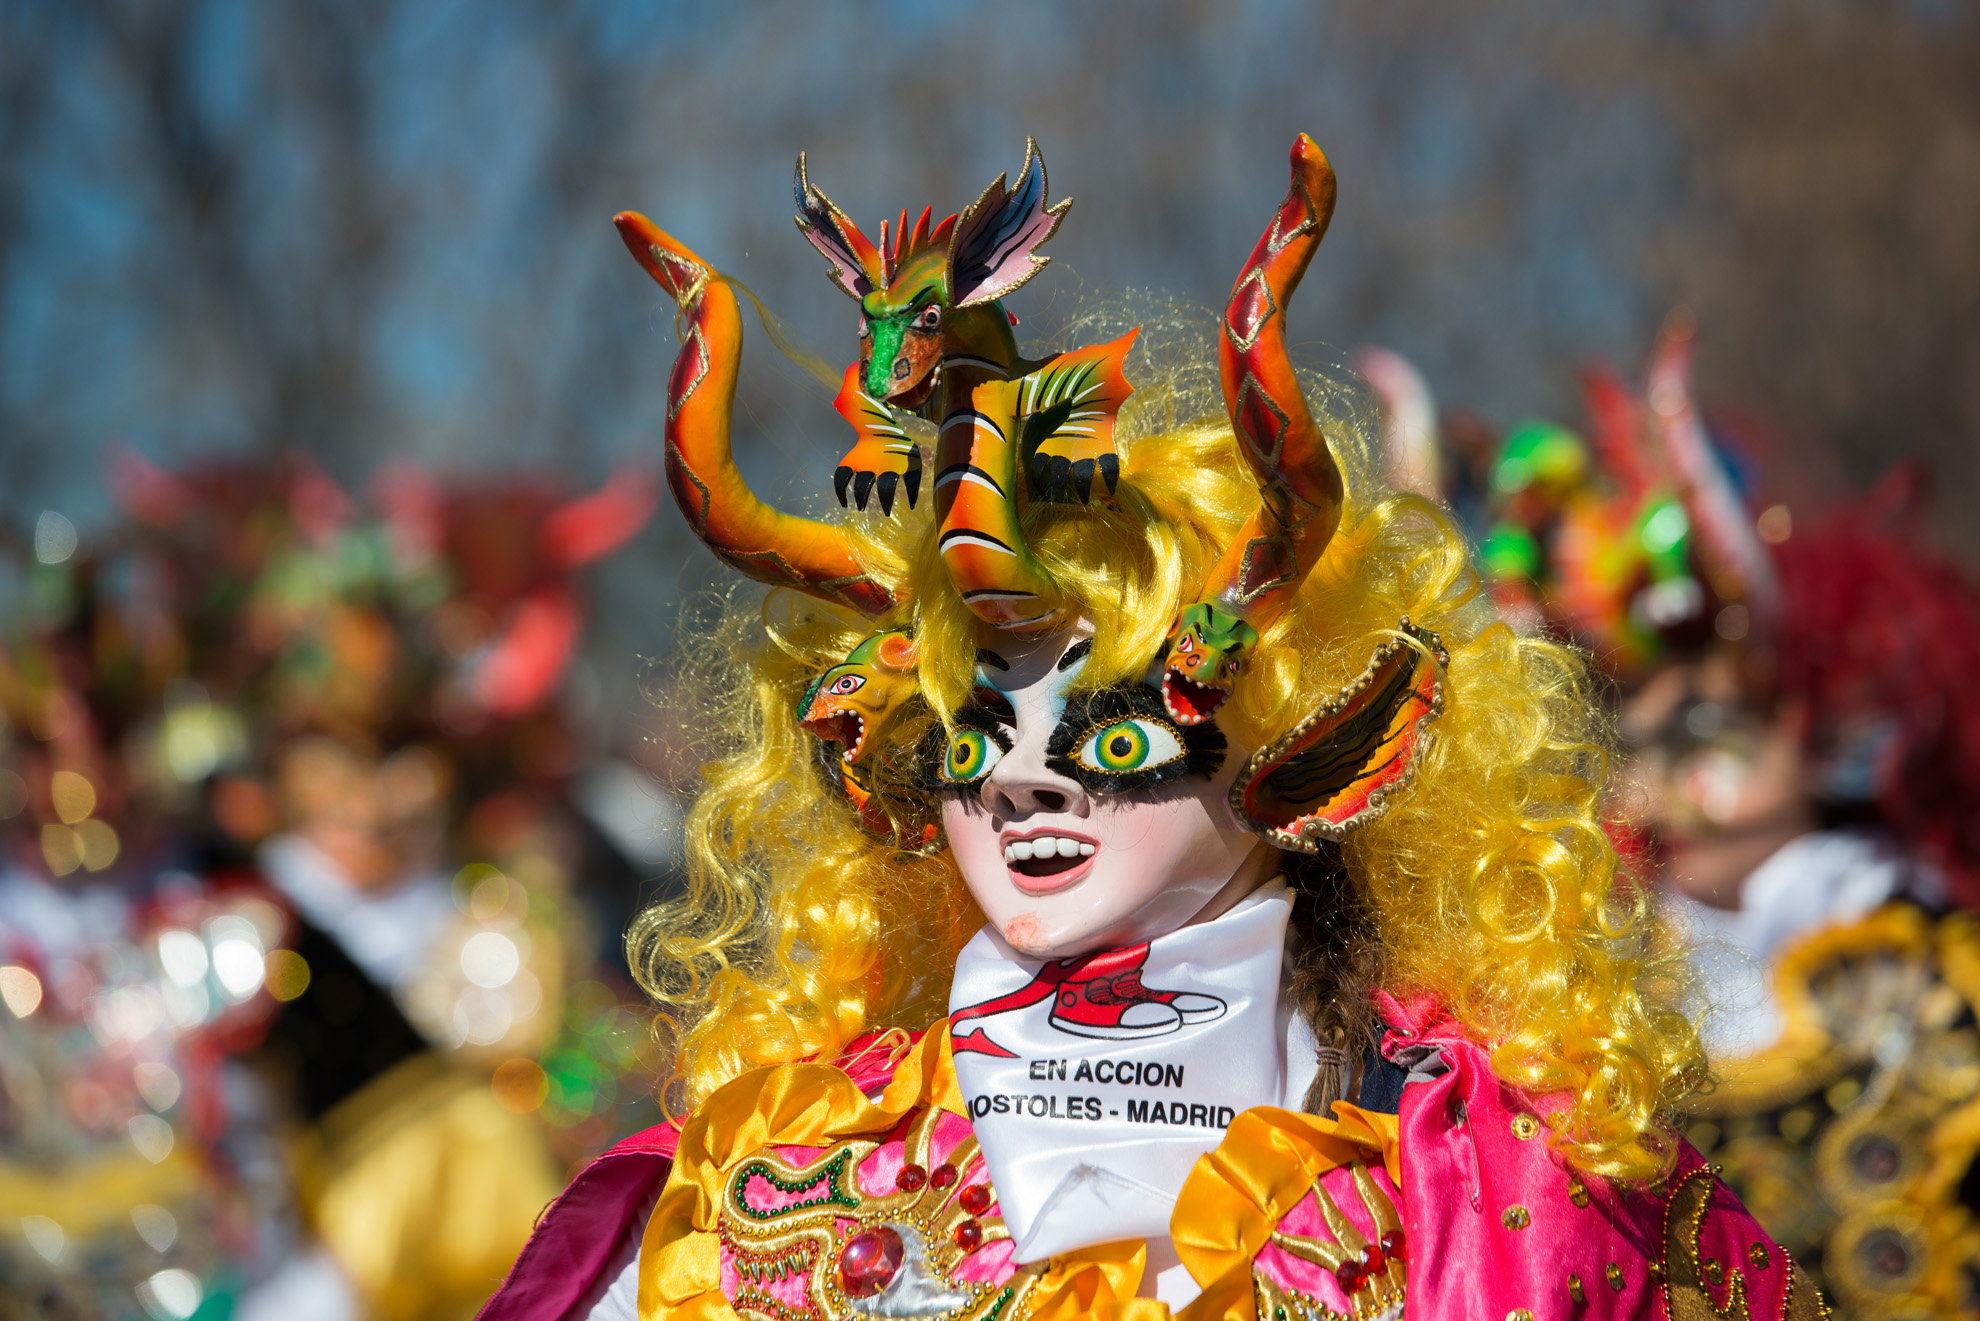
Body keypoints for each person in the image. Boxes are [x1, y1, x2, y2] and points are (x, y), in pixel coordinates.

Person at [481, 135, 1821, 1321]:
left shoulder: (1494, 1178)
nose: (1016, 781)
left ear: (1309, 756)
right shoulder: (767, 1166)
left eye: (1113, 732)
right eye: (963, 735)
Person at [1475, 320, 1980, 1315]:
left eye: (1706, 729)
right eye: (1631, 743)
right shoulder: (1575, 1016)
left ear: (1820, 718)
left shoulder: (1948, 973)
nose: (1662, 788)